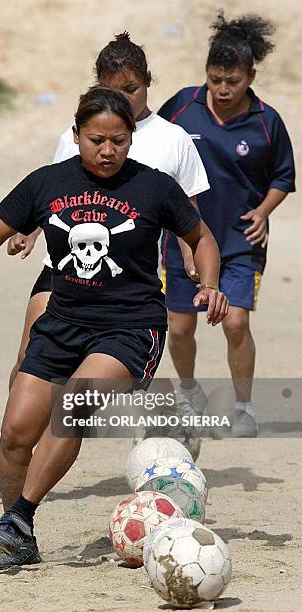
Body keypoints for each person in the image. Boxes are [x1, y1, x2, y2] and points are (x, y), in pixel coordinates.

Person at [0, 86, 229, 571]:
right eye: (97, 139)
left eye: (118, 140)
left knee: (73, 404)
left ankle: (19, 517)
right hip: (62, 323)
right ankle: (18, 535)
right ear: (76, 136)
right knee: (13, 435)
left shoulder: (154, 187)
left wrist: (210, 283)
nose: (108, 150)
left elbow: (201, 237)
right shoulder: (47, 183)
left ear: (131, 138)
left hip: (132, 329)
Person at [0, 32, 211, 476]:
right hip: (60, 267)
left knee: (90, 385)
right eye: (111, 87)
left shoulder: (172, 139)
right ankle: (13, 432)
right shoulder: (80, 129)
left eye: (130, 88)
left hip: (125, 272)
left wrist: (189, 256)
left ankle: (151, 419)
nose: (121, 96)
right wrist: (28, 233)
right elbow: (49, 193)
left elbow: (188, 213)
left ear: (147, 83)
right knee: (30, 351)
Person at [158, 13, 296, 437]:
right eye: (215, 78)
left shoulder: (266, 121)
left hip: (239, 242)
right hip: (183, 239)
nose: (222, 89)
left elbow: (284, 177)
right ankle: (189, 391)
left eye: (232, 80)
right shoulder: (183, 106)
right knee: (180, 327)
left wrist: (264, 211)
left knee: (235, 323)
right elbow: (150, 147)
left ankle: (243, 407)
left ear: (250, 75)